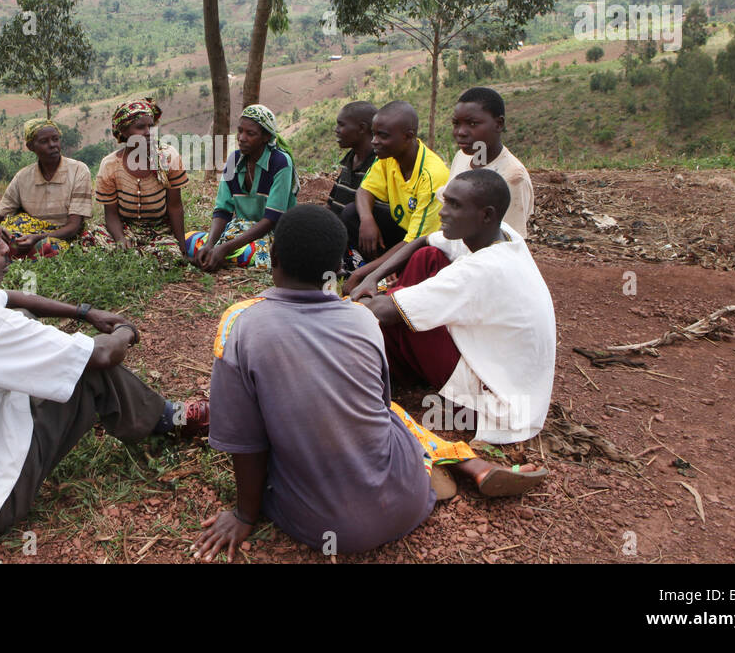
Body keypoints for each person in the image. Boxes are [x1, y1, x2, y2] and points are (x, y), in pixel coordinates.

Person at [193, 204, 547, 561]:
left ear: (274, 259)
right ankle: (450, 465)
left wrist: (243, 515)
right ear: (335, 269)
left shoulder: (240, 325)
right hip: (407, 502)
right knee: (388, 413)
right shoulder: (363, 320)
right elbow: (378, 406)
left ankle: (437, 467)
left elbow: (246, 443)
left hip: (323, 526)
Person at [0, 201, 209, 537]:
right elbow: (102, 357)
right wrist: (126, 329)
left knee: (26, 322)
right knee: (88, 370)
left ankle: (133, 408)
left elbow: (5, 297)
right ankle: (172, 417)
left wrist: (84, 312)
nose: (6, 248)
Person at [351, 169, 556, 445]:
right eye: (445, 201)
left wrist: (355, 302)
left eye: (455, 206)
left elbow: (383, 312)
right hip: (511, 375)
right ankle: (403, 365)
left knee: (390, 322)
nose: (443, 212)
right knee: (428, 257)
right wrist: (372, 278)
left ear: (486, 214)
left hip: (497, 404)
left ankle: (368, 376)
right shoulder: (502, 234)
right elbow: (423, 240)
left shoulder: (480, 270)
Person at [342, 101, 449, 288]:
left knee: (419, 256)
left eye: (382, 136)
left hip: (426, 242)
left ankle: (381, 272)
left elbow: (417, 241)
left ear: (408, 136)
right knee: (352, 213)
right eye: (374, 134)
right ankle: (383, 268)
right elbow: (365, 190)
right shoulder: (388, 157)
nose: (374, 141)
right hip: (404, 231)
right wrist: (367, 220)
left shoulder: (431, 175)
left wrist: (361, 275)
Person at [187, 104, 298, 271]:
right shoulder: (234, 160)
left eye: (250, 133)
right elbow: (222, 211)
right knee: (189, 239)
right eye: (240, 131)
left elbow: (271, 220)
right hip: (239, 232)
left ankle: (226, 256)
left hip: (272, 235)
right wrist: (210, 245)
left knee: (248, 253)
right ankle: (218, 254)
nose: (241, 138)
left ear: (266, 136)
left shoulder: (280, 163)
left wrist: (224, 248)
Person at [94, 98, 190, 256]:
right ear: (123, 132)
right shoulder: (110, 165)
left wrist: (182, 248)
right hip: (126, 228)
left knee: (169, 254)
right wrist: (120, 239)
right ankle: (133, 255)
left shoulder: (168, 157)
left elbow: (175, 206)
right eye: (140, 127)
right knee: (93, 240)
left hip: (159, 232)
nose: (148, 132)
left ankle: (137, 258)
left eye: (151, 126)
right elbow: (110, 214)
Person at [0, 118, 96, 257]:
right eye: (44, 141)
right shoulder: (23, 177)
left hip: (63, 237)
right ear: (31, 146)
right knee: (2, 242)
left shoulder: (79, 170)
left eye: (55, 139)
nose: (52, 145)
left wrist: (38, 237)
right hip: (29, 235)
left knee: (48, 249)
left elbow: (74, 226)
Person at [443, 86, 534, 238]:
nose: (461, 132)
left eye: (472, 124)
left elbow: (510, 242)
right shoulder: (462, 157)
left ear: (498, 124)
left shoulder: (512, 177)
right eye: (456, 123)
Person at [326, 101, 377, 219]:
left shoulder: (378, 165)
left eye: (341, 125)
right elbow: (331, 205)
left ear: (361, 128)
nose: (336, 130)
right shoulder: (349, 159)